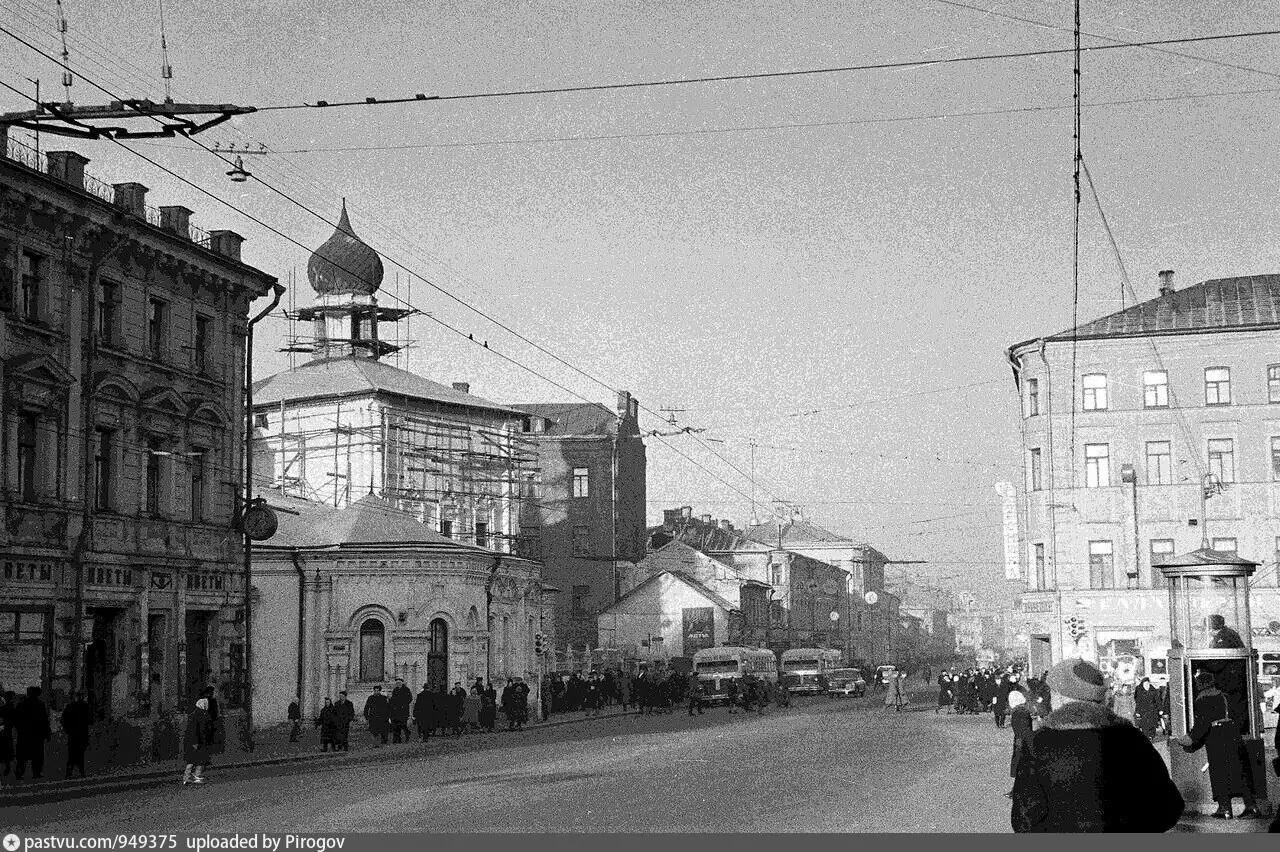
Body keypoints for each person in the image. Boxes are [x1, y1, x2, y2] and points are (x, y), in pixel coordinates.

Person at [1011, 657, 1184, 832]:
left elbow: (1023, 819)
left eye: (1052, 693)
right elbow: (1169, 808)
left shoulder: (1039, 743)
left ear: (1061, 698)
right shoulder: (1131, 739)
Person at [1176, 670, 1262, 819]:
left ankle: (1224, 809)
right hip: (1234, 736)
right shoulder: (1225, 697)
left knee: (1219, 773)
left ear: (1200, 684)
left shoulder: (1202, 699)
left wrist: (1189, 740)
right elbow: (1239, 717)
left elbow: (1202, 725)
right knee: (1240, 772)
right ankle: (1252, 807)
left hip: (1216, 738)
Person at [13, 686, 51, 781]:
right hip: (37, 734)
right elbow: (44, 720)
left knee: (22, 755)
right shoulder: (40, 705)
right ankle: (36, 772)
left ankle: (20, 772)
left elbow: (16, 719)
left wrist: (20, 729)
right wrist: (47, 733)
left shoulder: (22, 704)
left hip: (24, 734)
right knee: (37, 755)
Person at [60, 691, 92, 778]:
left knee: (72, 753)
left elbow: (63, 719)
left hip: (73, 733)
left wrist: (67, 729)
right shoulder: (85, 706)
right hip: (82, 732)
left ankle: (70, 771)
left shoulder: (70, 706)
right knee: (80, 753)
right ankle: (80, 770)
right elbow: (90, 719)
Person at [182, 698, 211, 785]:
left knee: (191, 760)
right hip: (197, 741)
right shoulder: (201, 715)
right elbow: (200, 729)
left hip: (193, 740)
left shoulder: (194, 714)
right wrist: (197, 741)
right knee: (200, 759)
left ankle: (186, 777)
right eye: (205, 704)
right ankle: (196, 776)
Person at [1007, 689, 1033, 783]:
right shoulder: (1022, 711)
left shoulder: (1018, 713)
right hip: (1023, 740)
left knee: (1020, 765)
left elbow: (1022, 730)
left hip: (1021, 741)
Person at [389, 678, 412, 744]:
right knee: (396, 725)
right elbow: (393, 700)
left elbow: (410, 699)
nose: (398, 684)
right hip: (396, 711)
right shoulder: (395, 690)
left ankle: (407, 733)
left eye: (399, 683)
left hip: (403, 711)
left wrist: (403, 703)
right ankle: (397, 739)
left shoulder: (406, 690)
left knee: (403, 724)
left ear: (402, 683)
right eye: (397, 683)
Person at [0, 690, 15, 780]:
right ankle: (7, 767)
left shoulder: (4, 706)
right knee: (6, 750)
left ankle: (7, 767)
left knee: (5, 750)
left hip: (4, 731)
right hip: (6, 732)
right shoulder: (8, 706)